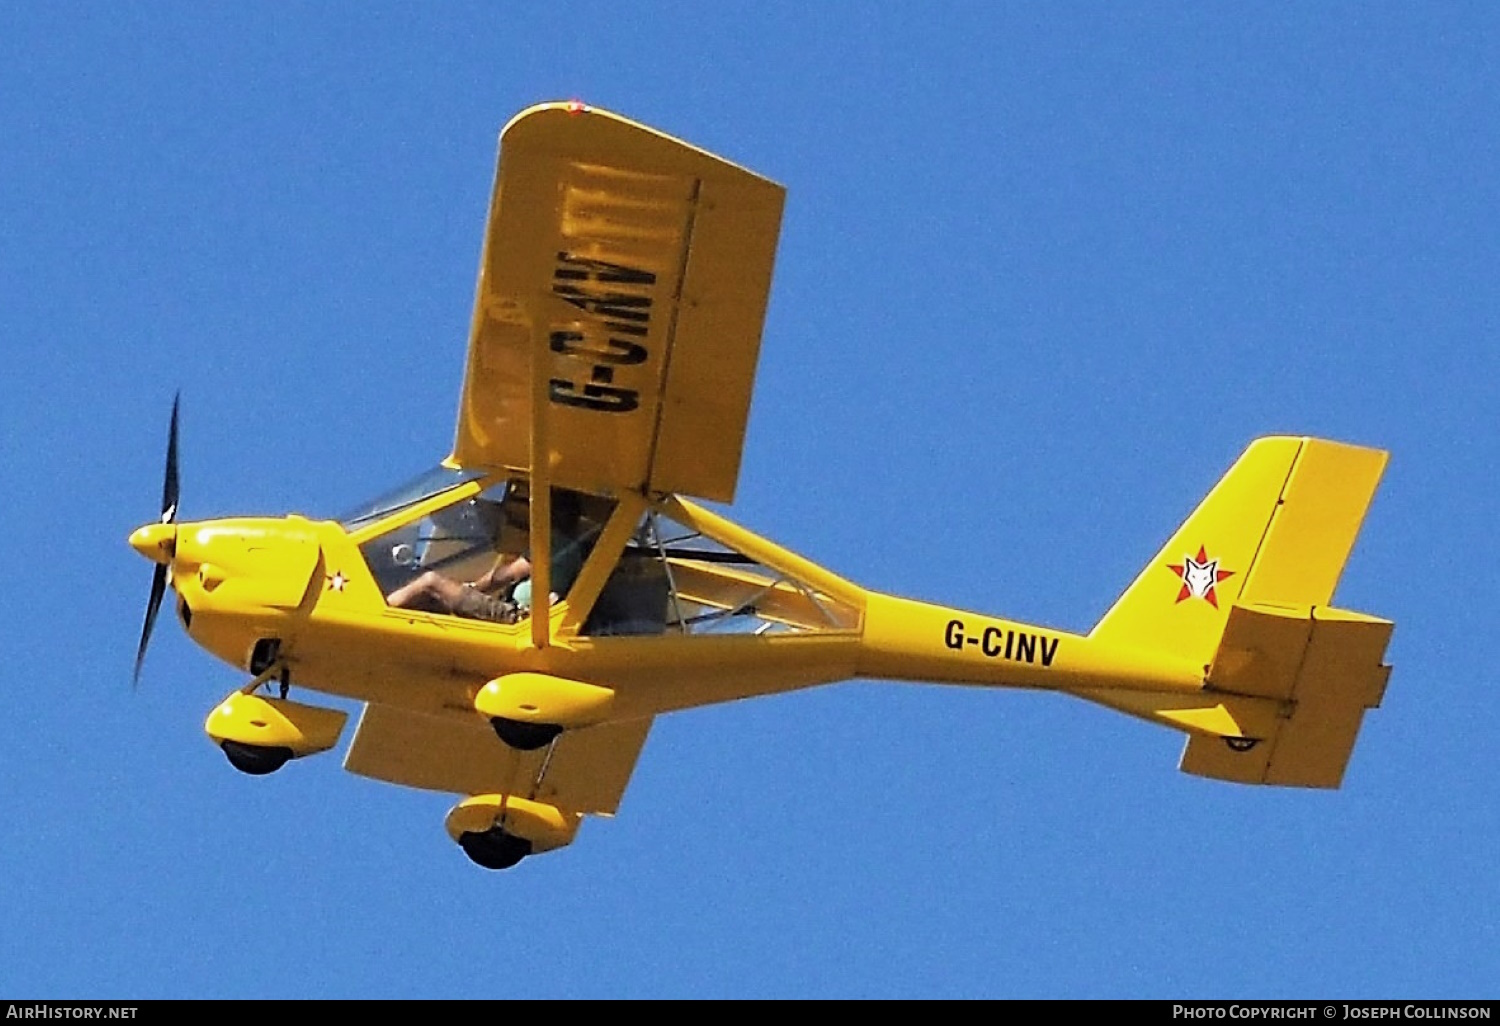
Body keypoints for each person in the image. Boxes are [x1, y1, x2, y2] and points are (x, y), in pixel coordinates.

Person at [386, 490, 584, 623]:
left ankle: (383, 611)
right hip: (516, 615)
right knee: (435, 605)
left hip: (518, 620)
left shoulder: (557, 543)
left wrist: (472, 589)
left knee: (432, 583)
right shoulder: (569, 548)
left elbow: (506, 576)